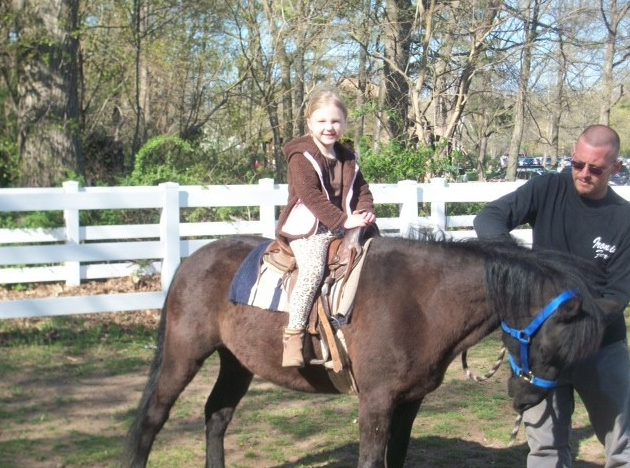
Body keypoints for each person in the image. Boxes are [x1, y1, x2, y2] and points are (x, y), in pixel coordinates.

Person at [474, 124, 630, 467]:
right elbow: (490, 217)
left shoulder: (624, 219)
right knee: (545, 449)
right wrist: (519, 264)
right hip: (542, 350)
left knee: (622, 450)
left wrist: (571, 322)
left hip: (601, 347)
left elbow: (618, 296)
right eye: (577, 164)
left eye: (596, 169)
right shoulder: (547, 188)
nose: (584, 174)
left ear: (616, 169)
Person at [275, 87, 376, 368]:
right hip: (309, 227)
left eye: (335, 121)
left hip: (342, 224)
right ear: (309, 123)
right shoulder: (301, 155)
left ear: (344, 123)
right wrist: (344, 221)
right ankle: (294, 335)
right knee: (312, 271)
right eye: (322, 121)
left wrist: (364, 210)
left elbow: (362, 189)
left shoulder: (347, 156)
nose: (329, 128)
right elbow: (310, 196)